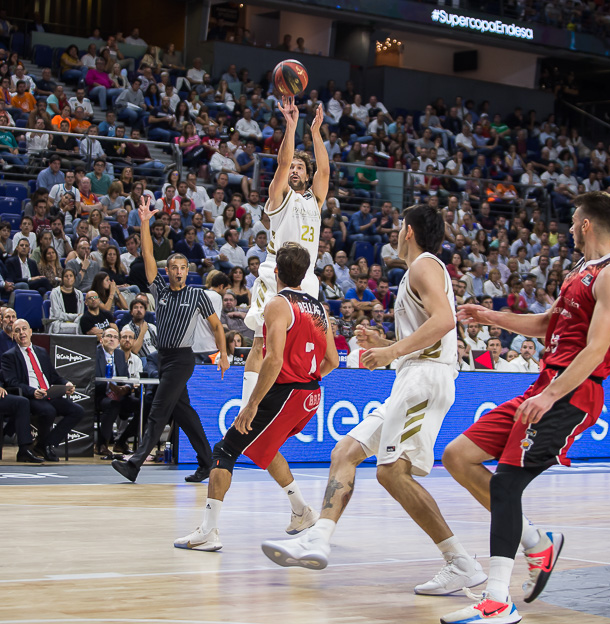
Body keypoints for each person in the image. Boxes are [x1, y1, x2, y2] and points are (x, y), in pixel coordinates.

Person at [262, 204, 487, 597]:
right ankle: (319, 538)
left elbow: (444, 321)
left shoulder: (423, 266)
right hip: (413, 376)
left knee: (392, 473)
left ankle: (461, 563)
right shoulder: (419, 271)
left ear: (409, 231)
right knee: (344, 451)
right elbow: (428, 333)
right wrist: (382, 344)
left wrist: (391, 351)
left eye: (400, 226)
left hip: (425, 380)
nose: (396, 233)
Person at [440, 191, 610, 624]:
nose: (569, 228)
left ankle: (497, 599)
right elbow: (549, 324)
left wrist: (550, 396)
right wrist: (491, 316)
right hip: (545, 384)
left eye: (573, 221)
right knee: (457, 456)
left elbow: (596, 349)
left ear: (586, 224)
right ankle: (536, 543)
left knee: (506, 484)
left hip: (573, 392)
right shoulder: (580, 271)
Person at [175, 243, 339, 550]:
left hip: (286, 392)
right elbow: (333, 361)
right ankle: (301, 511)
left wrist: (252, 404)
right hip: (311, 395)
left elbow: (273, 359)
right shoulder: (319, 308)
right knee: (265, 446)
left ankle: (208, 531)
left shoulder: (278, 304)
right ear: (305, 274)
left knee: (224, 450)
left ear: (275, 271)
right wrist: (306, 380)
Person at [239, 97, 329, 519]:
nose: (294, 169)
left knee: (303, 354)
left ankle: (285, 397)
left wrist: (316, 132)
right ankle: (250, 400)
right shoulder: (279, 199)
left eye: (299, 167)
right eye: (291, 165)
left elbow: (325, 171)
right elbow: (279, 165)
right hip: (275, 276)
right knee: (261, 342)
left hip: (307, 281)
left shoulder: (314, 201)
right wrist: (291, 127)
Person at [112, 196, 229, 484]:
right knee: (184, 413)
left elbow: (217, 326)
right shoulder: (160, 290)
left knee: (158, 410)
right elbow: (148, 255)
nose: (178, 271)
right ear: (168, 271)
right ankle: (208, 463)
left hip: (182, 359)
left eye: (182, 268)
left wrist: (224, 354)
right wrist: (144, 222)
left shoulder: (197, 295)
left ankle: (134, 464)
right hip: (162, 357)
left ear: (188, 271)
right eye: (174, 267)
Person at [1, 320, 85, 462]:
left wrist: (66, 384)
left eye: (24, 329)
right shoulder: (9, 356)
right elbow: (12, 382)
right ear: (13, 336)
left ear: (30, 332)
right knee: (48, 411)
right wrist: (32, 391)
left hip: (49, 394)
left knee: (77, 411)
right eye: (17, 330)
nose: (21, 333)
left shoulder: (41, 351)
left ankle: (45, 444)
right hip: (31, 396)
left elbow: (53, 376)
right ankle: (42, 447)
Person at [94, 327, 139, 456]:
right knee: (113, 405)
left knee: (143, 406)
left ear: (118, 342)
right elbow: (91, 379)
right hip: (100, 394)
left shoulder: (119, 354)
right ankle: (102, 444)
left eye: (115, 337)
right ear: (101, 339)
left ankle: (122, 441)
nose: (112, 339)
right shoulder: (94, 353)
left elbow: (126, 378)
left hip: (119, 394)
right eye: (109, 336)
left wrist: (126, 388)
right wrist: (109, 385)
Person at [48, 268, 85, 334]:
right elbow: (57, 315)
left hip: (76, 322)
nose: (68, 278)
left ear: (74, 278)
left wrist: (77, 317)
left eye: (71, 276)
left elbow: (81, 315)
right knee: (79, 328)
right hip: (60, 323)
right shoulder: (55, 293)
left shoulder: (79, 294)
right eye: (66, 276)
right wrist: (75, 316)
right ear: (62, 279)